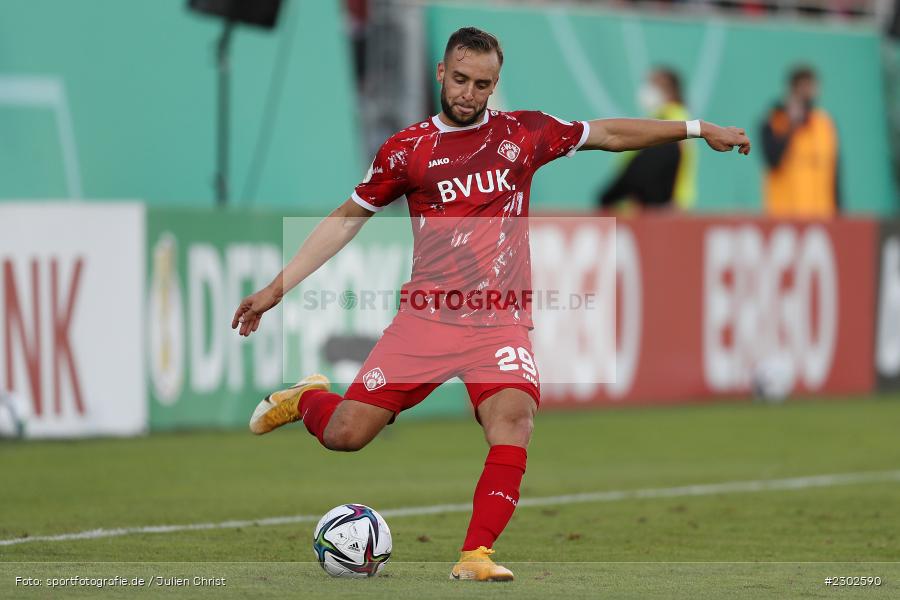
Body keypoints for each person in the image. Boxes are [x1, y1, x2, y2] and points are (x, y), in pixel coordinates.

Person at [232, 27, 750, 582]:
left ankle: (475, 554)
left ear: (494, 84)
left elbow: (611, 133)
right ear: (440, 72)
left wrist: (697, 130)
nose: (468, 94)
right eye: (459, 80)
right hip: (426, 319)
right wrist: (276, 288)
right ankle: (308, 398)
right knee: (346, 436)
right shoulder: (407, 150)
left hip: (497, 321)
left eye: (482, 84)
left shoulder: (523, 133)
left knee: (514, 418)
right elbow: (345, 221)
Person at [599, 67, 696, 211]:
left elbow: (668, 160)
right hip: (645, 209)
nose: (648, 89)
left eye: (654, 84)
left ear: (671, 90)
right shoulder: (657, 118)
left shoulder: (673, 118)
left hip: (664, 208)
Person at [760, 65, 840, 218]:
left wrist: (840, 215)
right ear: (792, 90)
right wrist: (791, 126)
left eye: (812, 87)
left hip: (822, 217)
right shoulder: (774, 122)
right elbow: (773, 160)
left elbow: (835, 175)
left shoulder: (825, 124)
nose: (808, 94)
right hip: (784, 219)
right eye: (803, 88)